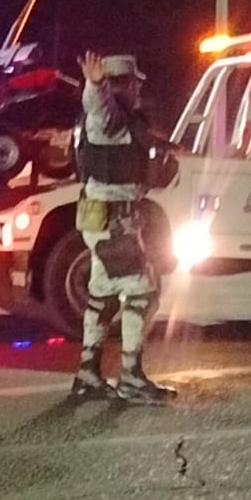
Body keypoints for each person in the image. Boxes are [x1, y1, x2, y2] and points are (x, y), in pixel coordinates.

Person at [69, 52, 176, 405]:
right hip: (114, 223)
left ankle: (87, 373)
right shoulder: (108, 117)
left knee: (102, 295)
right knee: (144, 293)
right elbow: (99, 108)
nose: (137, 89)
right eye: (132, 83)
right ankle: (130, 377)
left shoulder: (121, 122)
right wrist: (96, 84)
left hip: (107, 220)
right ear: (123, 85)